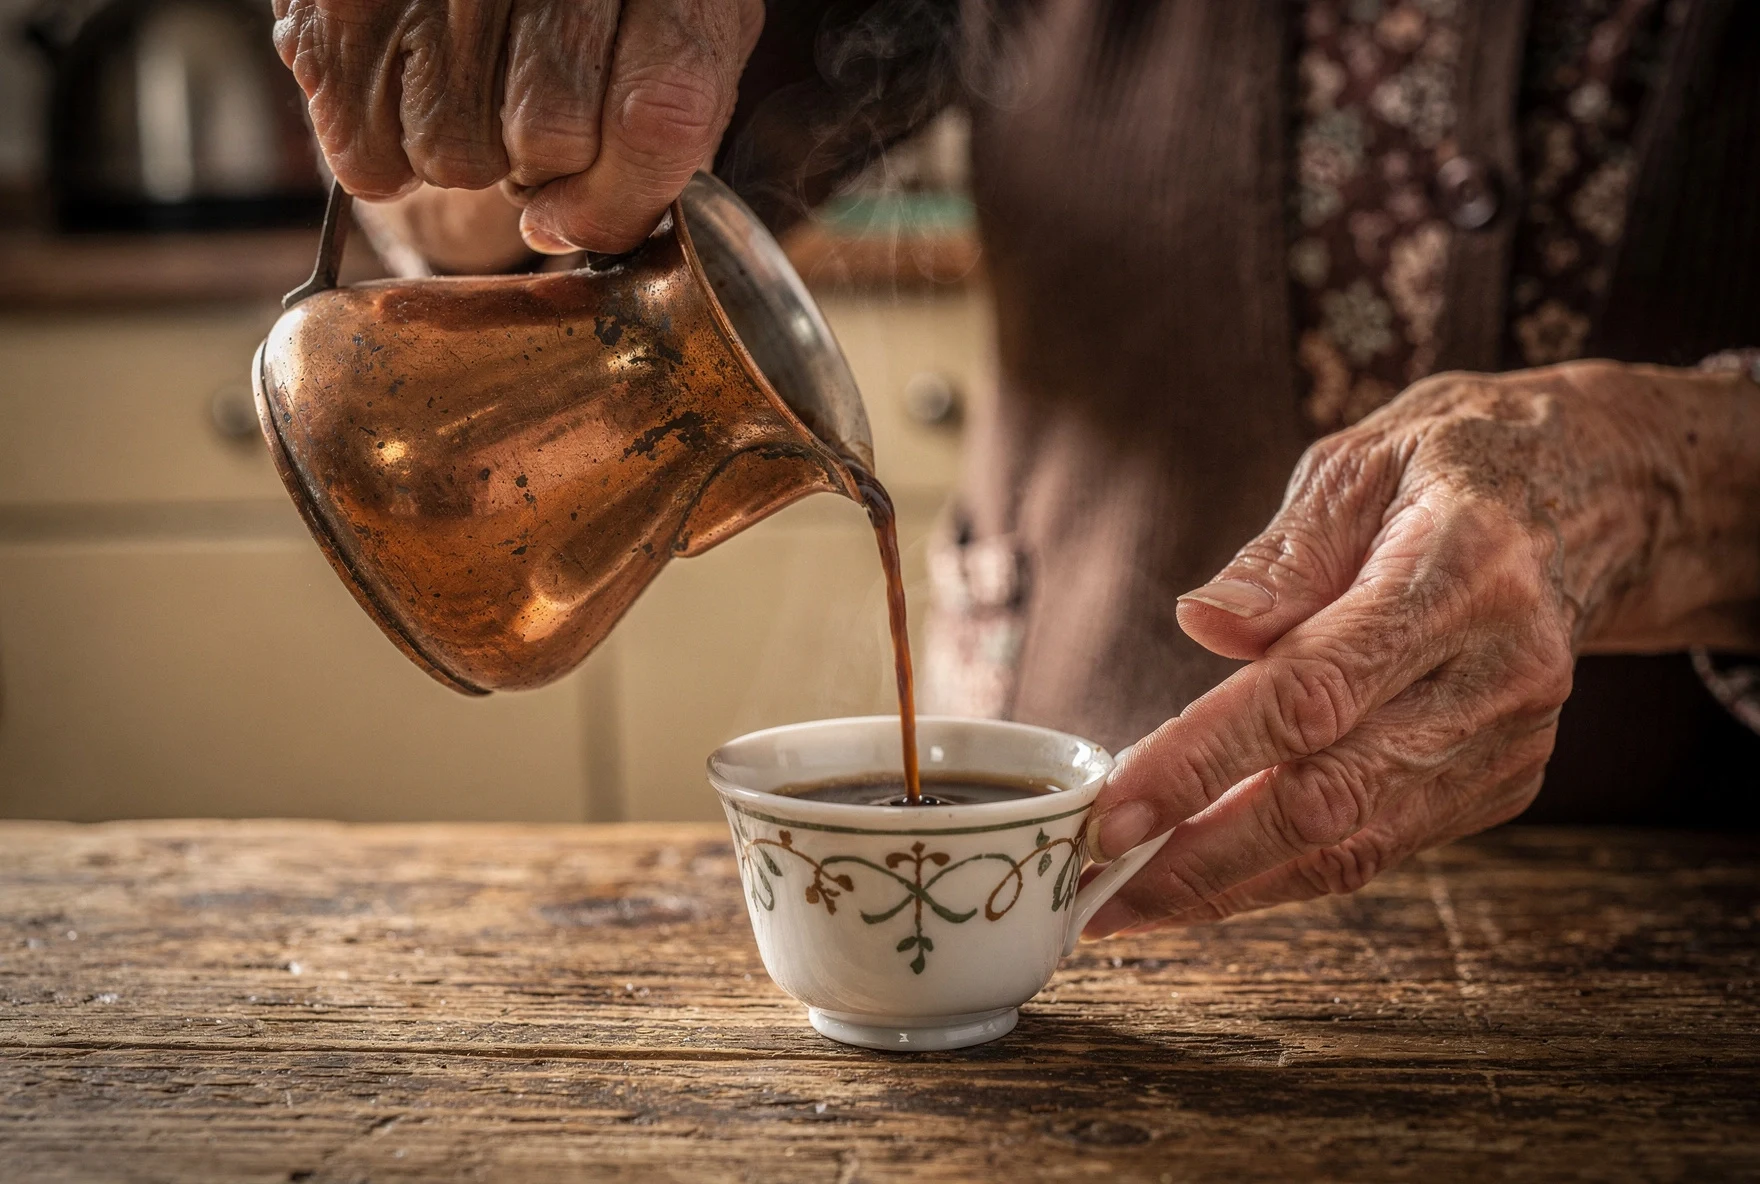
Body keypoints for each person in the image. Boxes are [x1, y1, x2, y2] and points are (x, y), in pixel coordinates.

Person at [269, 0, 1760, 937]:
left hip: (1694, 945)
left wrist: (1666, 483)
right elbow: (539, 182)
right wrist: (485, 84)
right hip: (1094, 915)